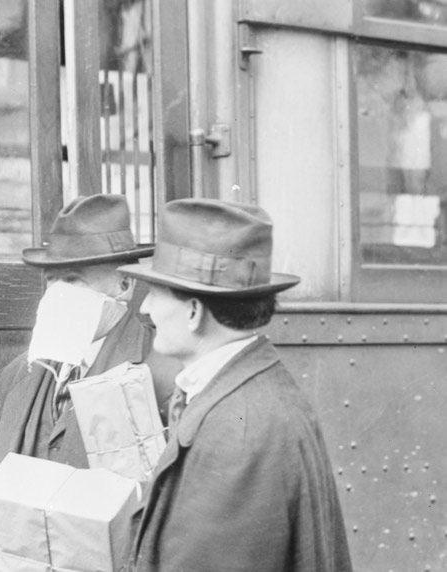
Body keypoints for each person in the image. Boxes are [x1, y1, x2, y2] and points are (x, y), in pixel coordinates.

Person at [0, 194, 179, 571]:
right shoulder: (16, 377)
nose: (57, 296)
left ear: (124, 286)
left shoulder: (161, 375)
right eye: (51, 281)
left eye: (73, 281)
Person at [119, 198, 352, 571]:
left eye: (155, 294)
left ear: (194, 312)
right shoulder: (246, 395)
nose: (145, 309)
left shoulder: (238, 430)